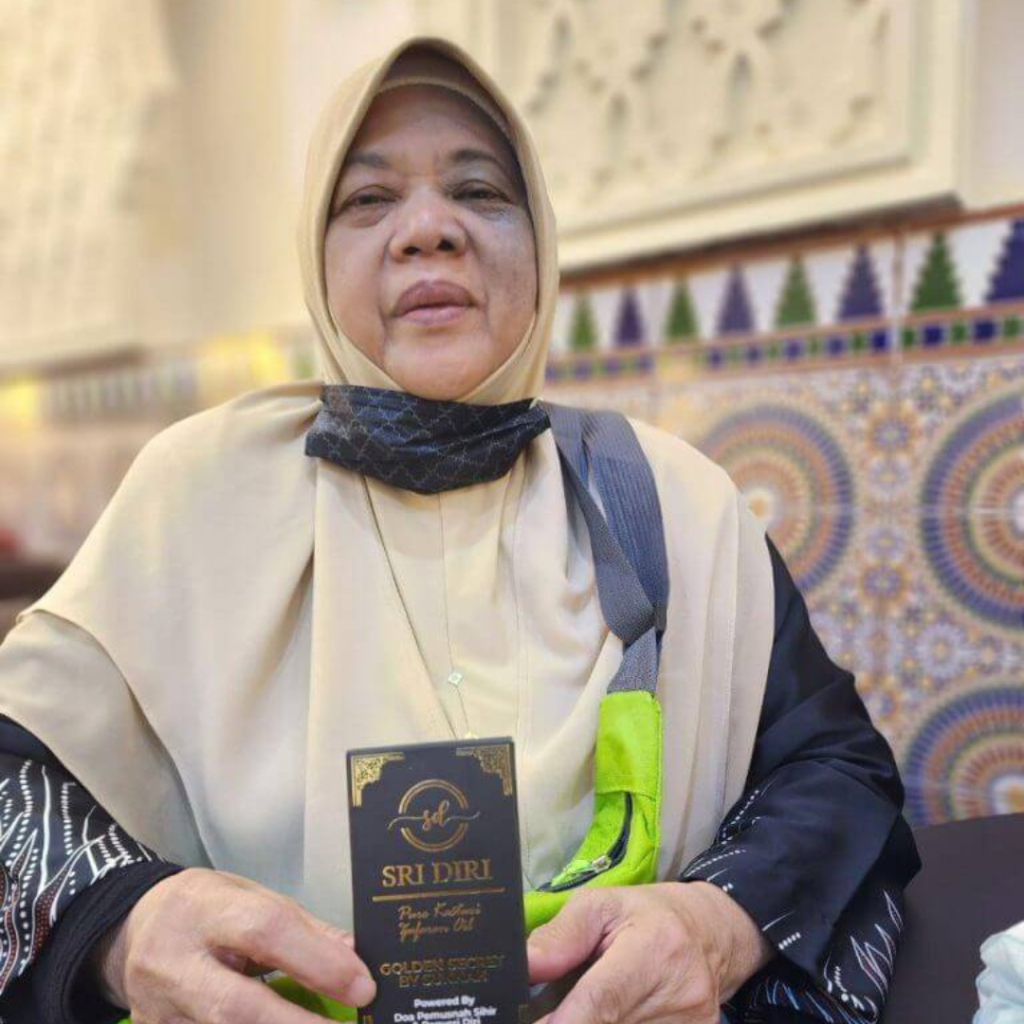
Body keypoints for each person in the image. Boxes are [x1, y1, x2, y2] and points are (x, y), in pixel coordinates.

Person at [0, 36, 919, 1024]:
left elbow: (835, 769)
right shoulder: (193, 498)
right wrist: (125, 927)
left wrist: (716, 922)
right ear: (315, 255)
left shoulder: (673, 503)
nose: (428, 230)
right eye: (368, 199)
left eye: (479, 192)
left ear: (541, 245)